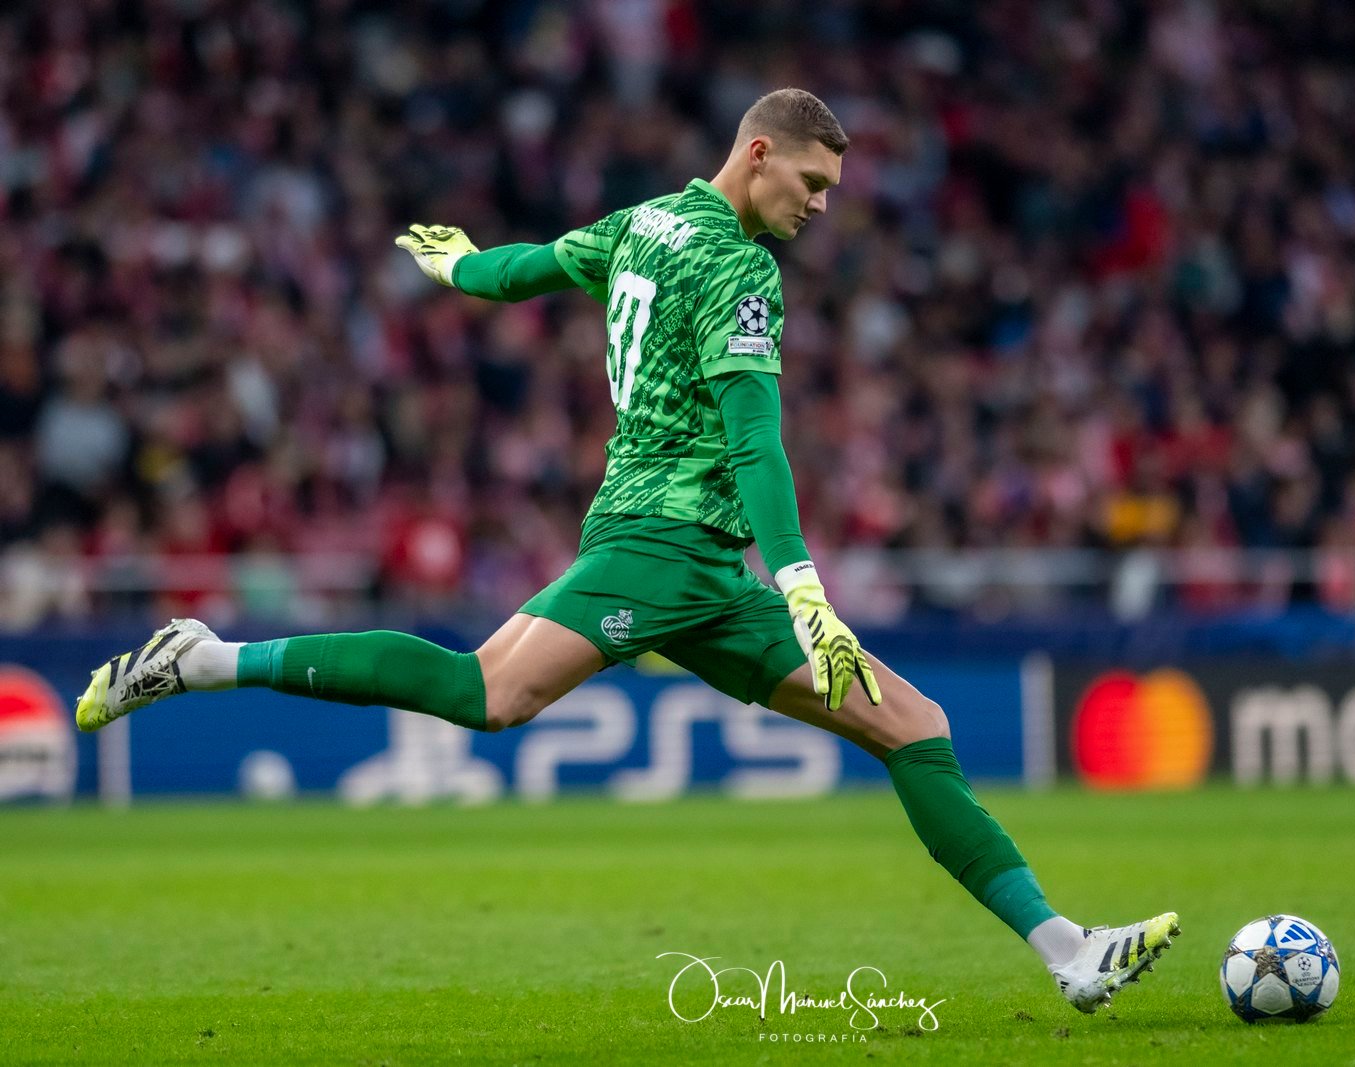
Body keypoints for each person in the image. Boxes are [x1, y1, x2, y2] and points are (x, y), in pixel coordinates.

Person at [73, 88, 1177, 1014]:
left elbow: (526, 271)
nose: (819, 205)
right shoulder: (739, 269)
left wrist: (461, 269)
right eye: (811, 183)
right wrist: (807, 590)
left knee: (914, 725)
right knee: (486, 693)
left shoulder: (642, 224)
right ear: (759, 153)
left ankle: (1067, 950)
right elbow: (755, 442)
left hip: (705, 571)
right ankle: (207, 658)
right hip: (662, 548)